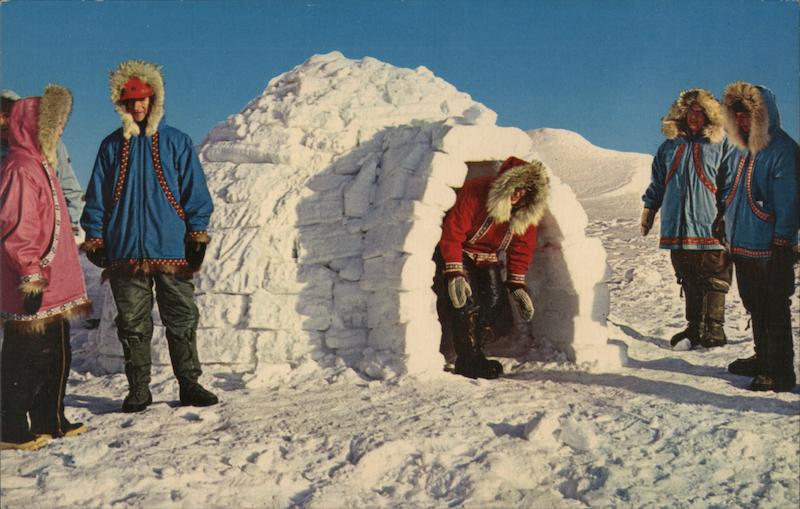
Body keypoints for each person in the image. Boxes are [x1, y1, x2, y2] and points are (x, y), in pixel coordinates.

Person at [81, 60, 217, 412]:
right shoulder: (111, 146)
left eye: (142, 100)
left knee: (182, 317)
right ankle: (138, 389)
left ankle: (190, 384)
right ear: (121, 105)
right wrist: (94, 235)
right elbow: (97, 195)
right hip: (125, 249)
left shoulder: (177, 142)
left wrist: (197, 233)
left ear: (154, 99)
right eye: (130, 102)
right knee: (132, 324)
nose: (137, 107)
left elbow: (195, 192)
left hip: (171, 247)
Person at [0, 85, 91, 450]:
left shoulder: (42, 165)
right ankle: (9, 426)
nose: (60, 131)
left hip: (55, 280)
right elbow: (17, 228)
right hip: (34, 281)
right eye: (54, 125)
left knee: (55, 353)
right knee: (25, 357)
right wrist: (30, 276)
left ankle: (49, 418)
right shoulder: (20, 168)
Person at [433, 156, 549, 379]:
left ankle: (474, 352)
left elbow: (521, 247)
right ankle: (468, 361)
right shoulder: (475, 191)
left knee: (494, 303)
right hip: (460, 250)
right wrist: (454, 271)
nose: (518, 194)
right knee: (465, 302)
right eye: (515, 187)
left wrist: (516, 283)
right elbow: (453, 231)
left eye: (525, 190)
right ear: (504, 184)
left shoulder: (526, 212)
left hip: (488, 256)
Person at [718, 82, 799, 392]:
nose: (742, 121)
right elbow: (730, 191)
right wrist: (722, 220)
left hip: (770, 247)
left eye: (748, 114)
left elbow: (789, 202)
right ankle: (763, 357)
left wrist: (783, 243)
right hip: (743, 244)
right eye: (737, 115)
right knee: (754, 304)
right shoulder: (740, 149)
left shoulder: (782, 149)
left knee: (773, 306)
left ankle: (779, 371)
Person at [641, 88, 733, 349]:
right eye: (689, 111)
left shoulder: (721, 144)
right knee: (688, 275)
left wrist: (727, 214)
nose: (694, 116)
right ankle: (695, 328)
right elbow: (658, 182)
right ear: (681, 114)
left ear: (709, 115)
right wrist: (649, 209)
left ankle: (714, 328)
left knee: (715, 274)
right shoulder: (669, 147)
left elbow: (730, 183)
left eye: (700, 112)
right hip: (678, 225)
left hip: (711, 223)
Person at [2, 90, 84, 232]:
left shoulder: (49, 144)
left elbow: (70, 191)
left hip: (44, 232)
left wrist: (66, 229)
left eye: (8, 114)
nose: (3, 121)